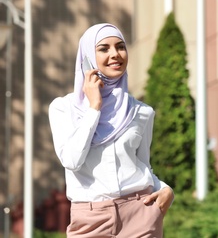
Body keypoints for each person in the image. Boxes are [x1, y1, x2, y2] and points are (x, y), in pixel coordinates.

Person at [48, 23, 174, 237]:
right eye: (104, 48)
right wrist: (94, 107)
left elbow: (142, 163)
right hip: (90, 218)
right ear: (87, 56)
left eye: (120, 47)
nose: (115, 54)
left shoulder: (141, 112)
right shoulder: (63, 108)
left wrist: (164, 189)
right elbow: (71, 160)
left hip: (140, 213)